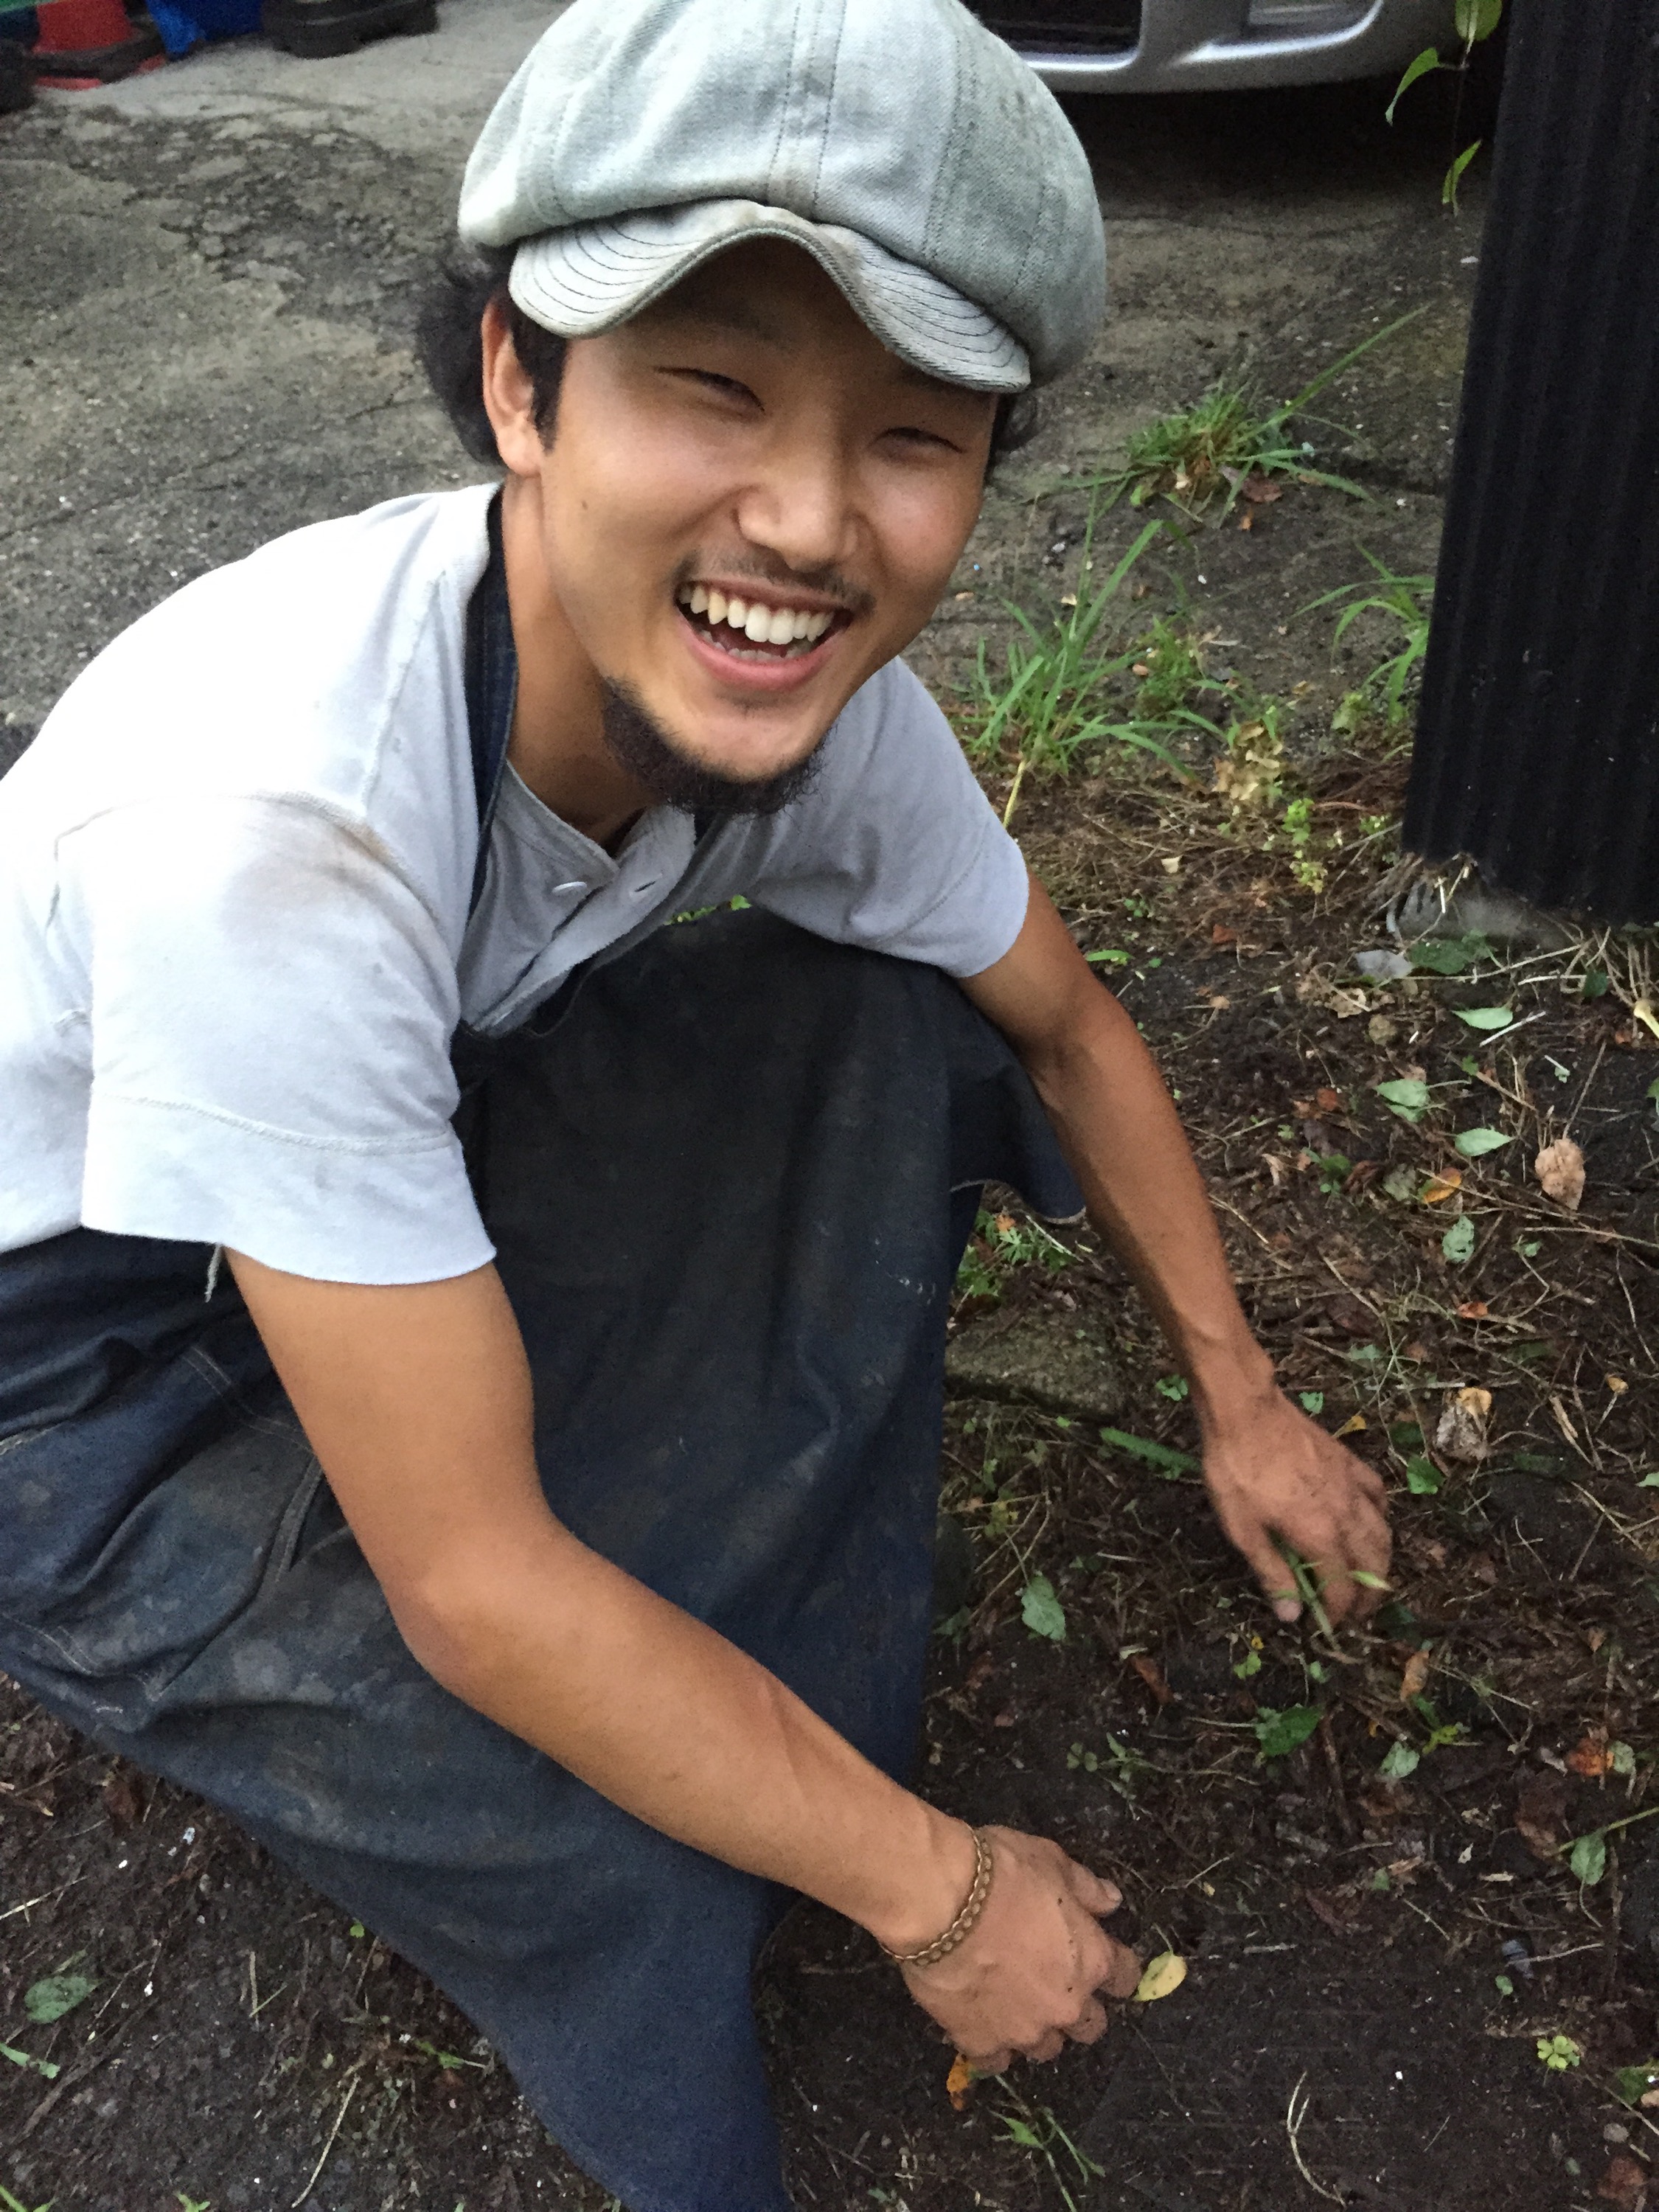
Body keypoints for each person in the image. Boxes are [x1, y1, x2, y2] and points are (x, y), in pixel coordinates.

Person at [0, 1, 1392, 2205]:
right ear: (518, 386)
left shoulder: (813, 701)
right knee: (610, 1845)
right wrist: (941, 1890)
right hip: (73, 1348)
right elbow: (474, 1587)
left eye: (912, 433)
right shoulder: (275, 826)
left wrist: (1243, 1399)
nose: (808, 523)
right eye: (711, 388)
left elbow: (1063, 1026)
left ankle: (696, 1643)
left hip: (384, 1155)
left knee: (905, 1018)